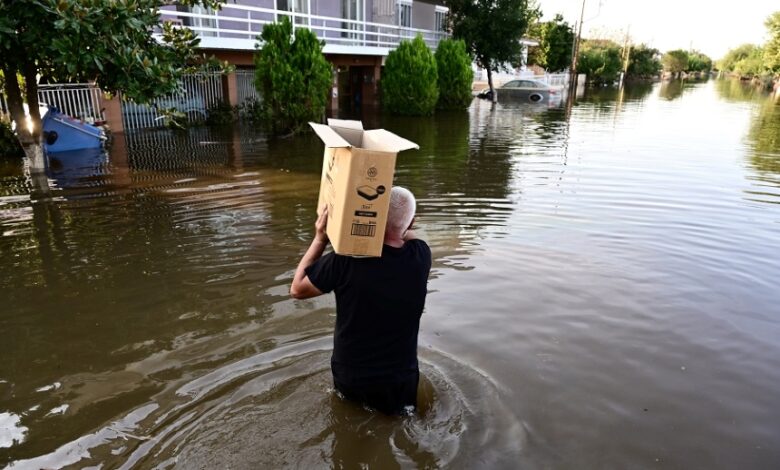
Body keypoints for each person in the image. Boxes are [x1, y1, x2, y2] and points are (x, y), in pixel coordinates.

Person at [290, 186, 432, 415]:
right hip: (399, 382)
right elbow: (406, 233)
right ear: (412, 223)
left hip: (351, 376)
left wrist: (320, 239)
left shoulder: (343, 262)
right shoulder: (421, 256)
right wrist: (402, 223)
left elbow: (297, 289)